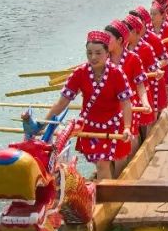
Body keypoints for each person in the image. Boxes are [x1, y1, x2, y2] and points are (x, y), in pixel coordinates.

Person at [42, 31, 133, 181]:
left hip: (112, 126)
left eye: (98, 53)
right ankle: (105, 186)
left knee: (102, 164)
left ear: (107, 53)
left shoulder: (117, 74)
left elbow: (126, 103)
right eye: (89, 53)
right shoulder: (79, 73)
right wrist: (43, 125)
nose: (93, 57)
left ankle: (107, 197)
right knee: (99, 162)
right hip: (89, 127)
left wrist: (128, 127)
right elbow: (62, 103)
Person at [106, 19, 152, 174]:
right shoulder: (102, 59)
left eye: (108, 38)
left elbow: (141, 85)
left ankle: (126, 175)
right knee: (108, 153)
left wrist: (145, 103)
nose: (105, 42)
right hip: (108, 112)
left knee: (125, 152)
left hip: (128, 109)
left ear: (119, 40)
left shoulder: (133, 58)